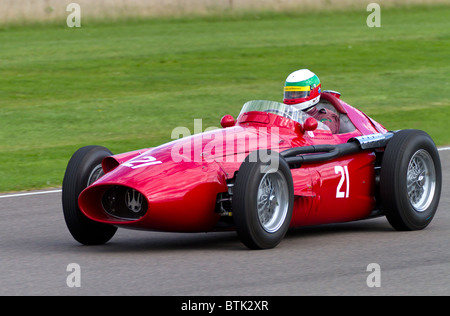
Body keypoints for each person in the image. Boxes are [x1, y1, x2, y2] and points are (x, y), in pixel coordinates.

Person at [283, 69, 340, 133]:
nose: (293, 97)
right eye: (290, 94)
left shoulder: (326, 117)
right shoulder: (285, 115)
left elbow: (322, 139)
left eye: (298, 93)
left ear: (313, 92)